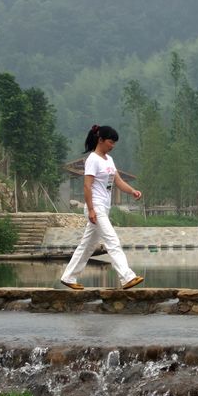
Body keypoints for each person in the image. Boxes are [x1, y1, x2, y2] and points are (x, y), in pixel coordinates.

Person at [60, 124, 145, 290]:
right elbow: (87, 186)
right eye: (110, 142)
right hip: (96, 208)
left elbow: (118, 181)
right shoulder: (92, 159)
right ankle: (127, 276)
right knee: (112, 240)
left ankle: (69, 276)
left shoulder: (109, 160)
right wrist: (91, 209)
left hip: (103, 208)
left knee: (87, 246)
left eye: (114, 143)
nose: (112, 146)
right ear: (100, 140)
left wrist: (132, 191)